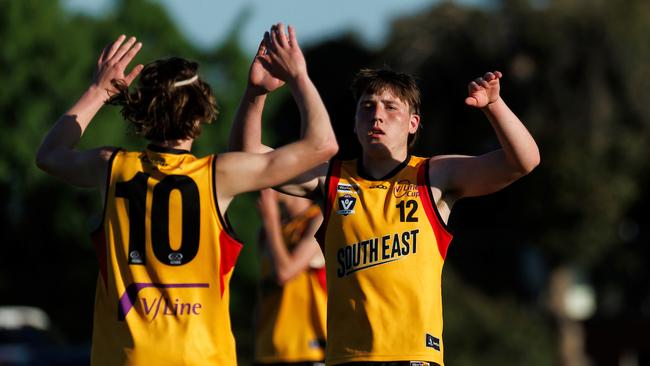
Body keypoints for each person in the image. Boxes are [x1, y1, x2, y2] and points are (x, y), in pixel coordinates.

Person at [230, 23, 540, 366]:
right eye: (367, 107)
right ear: (355, 122)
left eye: (391, 107)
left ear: (412, 123)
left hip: (413, 357)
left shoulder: (433, 175)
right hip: (346, 358)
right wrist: (256, 93)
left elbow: (523, 161)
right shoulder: (331, 177)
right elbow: (248, 160)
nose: (377, 114)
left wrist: (493, 106)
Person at [35, 26, 337, 366]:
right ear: (200, 116)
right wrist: (295, 76)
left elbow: (49, 155)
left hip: (125, 357)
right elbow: (322, 145)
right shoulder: (218, 175)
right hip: (201, 356)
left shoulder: (111, 167)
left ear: (141, 113)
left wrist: (96, 91)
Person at [254, 188, 327, 366]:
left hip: (309, 348)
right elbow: (264, 291)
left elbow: (285, 273)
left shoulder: (318, 219)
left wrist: (271, 219)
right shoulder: (267, 231)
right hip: (269, 350)